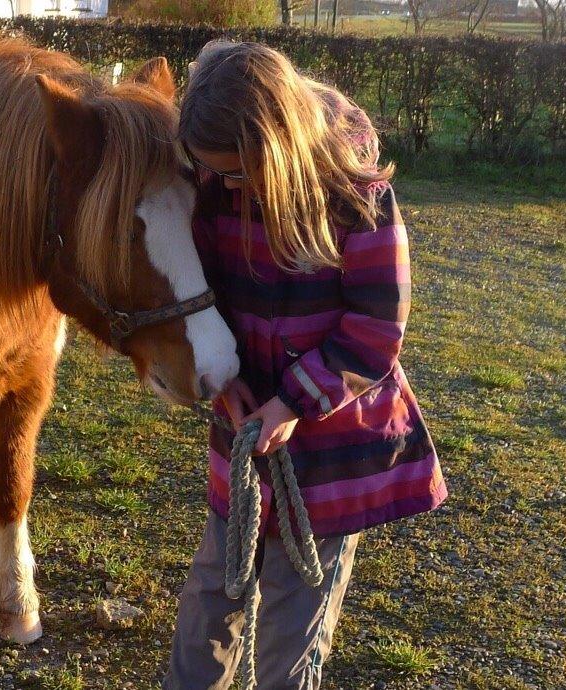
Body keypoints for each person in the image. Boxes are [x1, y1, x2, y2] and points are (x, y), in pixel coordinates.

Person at [163, 41, 448, 690]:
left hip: (324, 460)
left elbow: (376, 328)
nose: (227, 188)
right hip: (240, 444)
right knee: (211, 597)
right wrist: (223, 376)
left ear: (276, 145)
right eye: (216, 175)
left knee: (291, 633)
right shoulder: (214, 184)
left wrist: (292, 403)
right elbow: (201, 292)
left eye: (237, 175)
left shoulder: (358, 197)